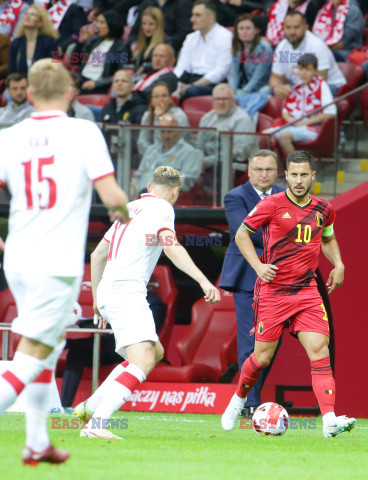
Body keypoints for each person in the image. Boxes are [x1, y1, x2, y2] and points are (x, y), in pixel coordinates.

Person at [0, 58, 129, 465]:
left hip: (17, 258)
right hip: (55, 263)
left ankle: (37, 440)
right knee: (35, 351)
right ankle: (34, 436)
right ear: (72, 94)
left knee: (48, 345)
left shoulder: (10, 135)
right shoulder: (83, 131)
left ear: (30, 95)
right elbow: (111, 196)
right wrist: (125, 210)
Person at [74, 165, 221, 439]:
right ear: (175, 193)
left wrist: (96, 300)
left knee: (155, 353)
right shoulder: (164, 209)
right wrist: (203, 280)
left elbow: (97, 256)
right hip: (127, 291)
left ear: (150, 187)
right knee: (142, 362)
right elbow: (171, 245)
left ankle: (88, 407)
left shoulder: (130, 207)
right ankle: (96, 426)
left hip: (108, 290)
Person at [221, 150, 356, 438]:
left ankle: (329, 419)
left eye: (304, 174)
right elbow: (241, 234)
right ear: (286, 176)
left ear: (313, 176)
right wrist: (258, 266)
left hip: (307, 293)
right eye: (293, 174)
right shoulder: (271, 204)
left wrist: (340, 264)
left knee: (320, 352)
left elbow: (328, 237)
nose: (298, 180)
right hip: (273, 293)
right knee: (261, 359)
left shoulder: (324, 209)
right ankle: (238, 400)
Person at [219, 149, 284, 416]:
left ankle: (249, 396)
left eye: (268, 170)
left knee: (271, 344)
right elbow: (243, 231)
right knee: (251, 340)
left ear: (276, 171)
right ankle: (251, 403)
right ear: (248, 171)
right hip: (247, 277)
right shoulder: (235, 196)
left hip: (282, 277)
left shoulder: (286, 193)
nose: (263, 175)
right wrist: (280, 233)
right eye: (258, 170)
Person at [61, 291, 166, 407]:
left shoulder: (153, 303)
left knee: (112, 341)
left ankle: (66, 343)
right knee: (76, 354)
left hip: (129, 349)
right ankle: (65, 405)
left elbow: (147, 334)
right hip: (104, 347)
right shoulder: (114, 298)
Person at [264, 54, 337, 157]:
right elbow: (285, 111)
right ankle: (277, 169)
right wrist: (290, 120)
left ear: (315, 71)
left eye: (307, 69)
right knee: (264, 135)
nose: (303, 73)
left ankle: (297, 170)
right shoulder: (297, 86)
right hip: (294, 125)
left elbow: (331, 113)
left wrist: (304, 122)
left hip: (314, 128)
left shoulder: (322, 85)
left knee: (283, 136)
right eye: (301, 69)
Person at [269, 12, 346, 97]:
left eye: (296, 27)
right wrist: (278, 88)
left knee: (310, 95)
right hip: (298, 86)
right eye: (288, 27)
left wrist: (294, 92)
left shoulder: (317, 45)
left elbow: (320, 79)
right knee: (267, 91)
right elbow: (275, 77)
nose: (292, 32)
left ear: (306, 27)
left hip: (330, 86)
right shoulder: (282, 47)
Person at [132, 113, 202, 198]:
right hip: (142, 196)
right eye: (162, 131)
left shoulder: (191, 153)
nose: (165, 136)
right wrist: (132, 187)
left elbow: (187, 182)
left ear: (179, 131)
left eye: (169, 131)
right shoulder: (151, 149)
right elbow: (138, 175)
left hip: (168, 199)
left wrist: (161, 187)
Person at [173, 0, 233, 99]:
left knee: (191, 91)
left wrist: (192, 85)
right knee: (162, 85)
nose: (192, 19)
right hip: (189, 79)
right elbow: (181, 68)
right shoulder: (190, 38)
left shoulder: (225, 37)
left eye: (197, 15)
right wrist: (173, 83)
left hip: (211, 84)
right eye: (192, 15)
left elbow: (220, 71)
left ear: (211, 18)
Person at [197, 83, 257, 169]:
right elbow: (199, 145)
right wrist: (198, 160)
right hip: (208, 164)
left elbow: (240, 152)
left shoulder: (242, 119)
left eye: (225, 99)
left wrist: (208, 161)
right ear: (213, 101)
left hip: (231, 167)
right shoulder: (207, 118)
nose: (221, 102)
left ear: (233, 101)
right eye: (217, 99)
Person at [74, 10, 131, 94]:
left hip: (99, 84)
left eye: (101, 22)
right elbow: (76, 60)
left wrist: (96, 83)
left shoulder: (122, 46)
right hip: (82, 78)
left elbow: (120, 74)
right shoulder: (94, 40)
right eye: (97, 22)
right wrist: (81, 41)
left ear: (111, 24)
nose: (97, 26)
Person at [137, 81, 189, 155]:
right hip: (153, 156)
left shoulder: (179, 116)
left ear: (170, 99)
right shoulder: (147, 115)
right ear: (151, 101)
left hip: (179, 156)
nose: (160, 100)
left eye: (164, 96)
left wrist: (159, 118)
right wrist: (152, 156)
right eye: (156, 97)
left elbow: (170, 142)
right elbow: (142, 142)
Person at [229, 13, 273, 96]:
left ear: (256, 30)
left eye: (248, 28)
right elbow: (234, 75)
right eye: (241, 28)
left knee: (264, 91)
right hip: (243, 86)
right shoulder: (237, 47)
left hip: (261, 87)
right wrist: (231, 92)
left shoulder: (264, 48)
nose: (244, 32)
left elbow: (258, 78)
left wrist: (243, 92)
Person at [8, 5, 58, 74]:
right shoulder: (16, 43)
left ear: (40, 22)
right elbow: (11, 71)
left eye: (33, 15)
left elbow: (55, 65)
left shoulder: (50, 42)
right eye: (26, 14)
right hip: (20, 83)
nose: (27, 16)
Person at [133, 7, 166, 75]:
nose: (146, 27)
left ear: (159, 24)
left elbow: (165, 64)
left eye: (151, 24)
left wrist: (145, 67)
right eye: (144, 23)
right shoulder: (141, 42)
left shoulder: (165, 44)